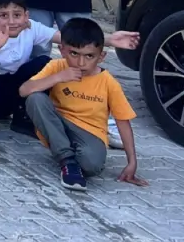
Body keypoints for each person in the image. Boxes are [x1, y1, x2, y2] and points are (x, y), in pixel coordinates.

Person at [0, 0, 139, 136]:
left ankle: (23, 117)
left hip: (16, 90)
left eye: (17, 15)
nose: (12, 21)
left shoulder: (31, 27)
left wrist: (109, 40)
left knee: (44, 62)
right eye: (3, 15)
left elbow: (67, 39)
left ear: (26, 15)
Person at [20, 18, 147, 191]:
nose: (81, 63)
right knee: (35, 98)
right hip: (58, 125)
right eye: (74, 54)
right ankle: (67, 160)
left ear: (101, 57)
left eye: (89, 56)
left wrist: (132, 162)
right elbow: (24, 90)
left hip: (90, 132)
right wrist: (58, 77)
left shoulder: (108, 82)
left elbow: (122, 120)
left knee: (92, 166)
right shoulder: (57, 66)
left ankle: (67, 152)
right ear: (62, 50)